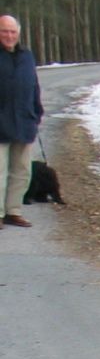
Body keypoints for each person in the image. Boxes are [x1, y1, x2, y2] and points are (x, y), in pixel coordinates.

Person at [0, 14, 44, 229]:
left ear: (18, 34)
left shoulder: (27, 56)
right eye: (4, 31)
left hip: (24, 121)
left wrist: (36, 112)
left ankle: (13, 211)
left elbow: (34, 85)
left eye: (12, 32)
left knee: (22, 171)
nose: (9, 36)